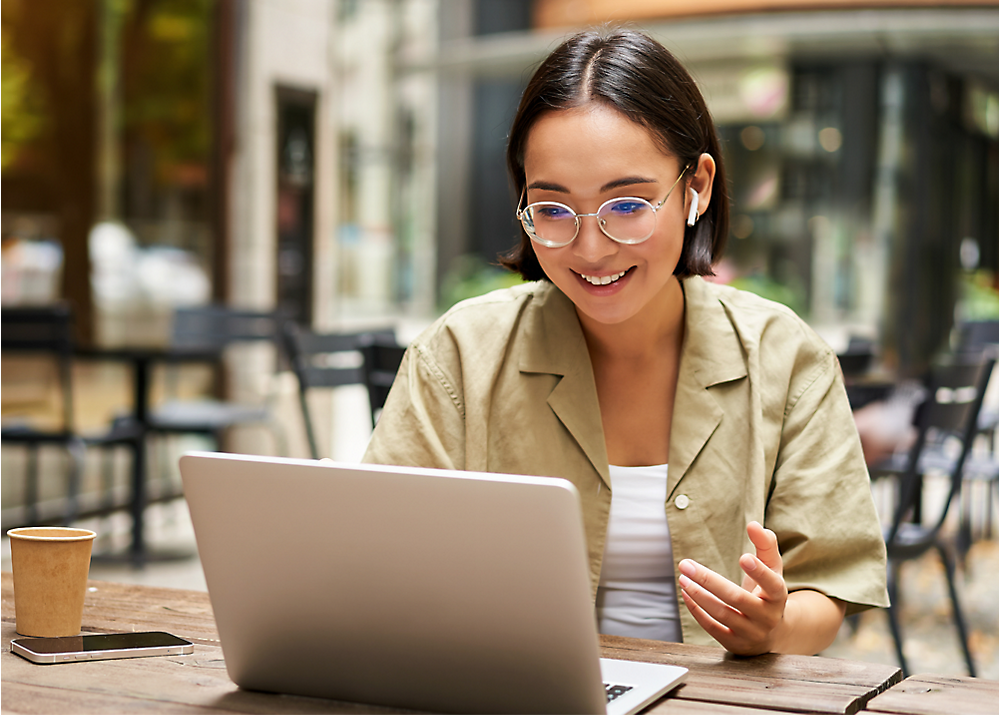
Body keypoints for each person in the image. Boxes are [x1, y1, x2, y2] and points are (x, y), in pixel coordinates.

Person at [363, 28, 888, 655]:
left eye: (627, 205)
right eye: (554, 211)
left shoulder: (787, 359)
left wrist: (772, 627)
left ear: (696, 187)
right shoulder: (458, 358)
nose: (590, 249)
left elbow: (824, 586)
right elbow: (379, 567)